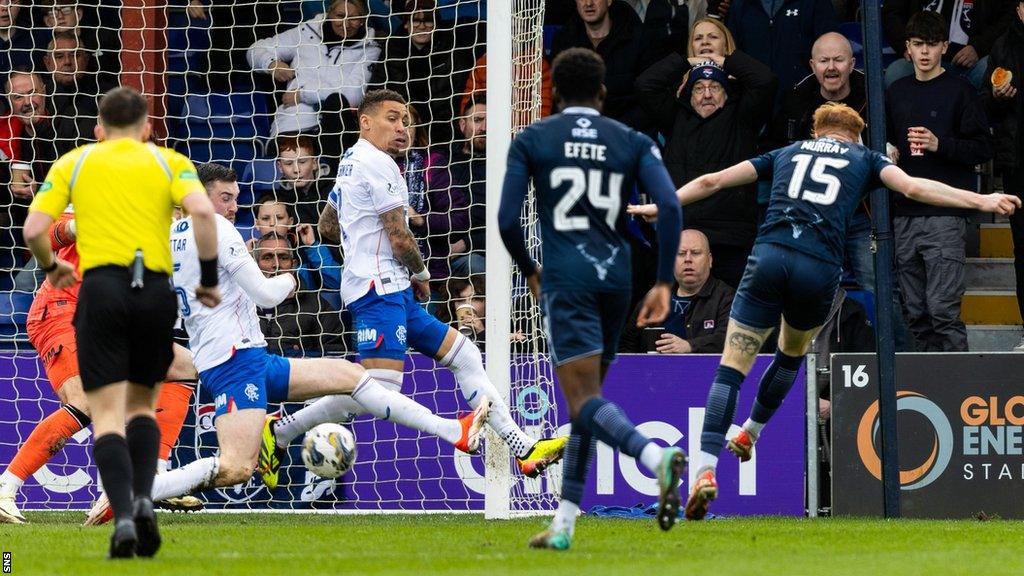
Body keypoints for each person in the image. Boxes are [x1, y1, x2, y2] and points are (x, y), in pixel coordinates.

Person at [627, 102, 1020, 520]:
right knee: (791, 354)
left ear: (817, 133)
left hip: (770, 257)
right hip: (817, 269)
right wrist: (982, 199)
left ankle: (706, 468)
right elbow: (915, 189)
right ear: (855, 135)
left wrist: (664, 207)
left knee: (732, 368)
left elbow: (713, 180)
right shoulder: (866, 158)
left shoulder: (787, 152)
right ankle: (751, 432)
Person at [85, 150, 489, 521]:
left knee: (351, 377)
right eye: (226, 197)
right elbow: (264, 295)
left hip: (243, 356)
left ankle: (454, 430)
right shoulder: (216, 229)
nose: (234, 205)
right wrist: (291, 277)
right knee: (236, 467)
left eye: (236, 196)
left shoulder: (163, 237)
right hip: (234, 362)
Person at [269, 89, 568, 487]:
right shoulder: (379, 165)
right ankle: (283, 430)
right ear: (366, 122)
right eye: (392, 118)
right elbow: (399, 237)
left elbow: (327, 224)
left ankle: (524, 449)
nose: (401, 128)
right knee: (375, 389)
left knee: (465, 356)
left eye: (406, 121)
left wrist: (362, 250)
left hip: (389, 288)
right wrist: (420, 273)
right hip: (380, 291)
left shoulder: (351, 160)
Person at [22, 86, 223, 558]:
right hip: (152, 292)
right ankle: (142, 496)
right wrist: (209, 278)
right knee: (141, 407)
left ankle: (126, 518)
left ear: (98, 129)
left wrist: (52, 268)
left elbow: (33, 229)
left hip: (101, 293)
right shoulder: (169, 162)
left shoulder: (76, 162)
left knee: (107, 416)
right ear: (148, 129)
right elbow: (201, 212)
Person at [499, 48, 687, 550]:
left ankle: (655, 457)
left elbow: (506, 220)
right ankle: (564, 524)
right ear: (602, 93)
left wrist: (530, 269)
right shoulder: (631, 139)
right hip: (617, 280)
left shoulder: (535, 138)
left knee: (583, 402)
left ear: (554, 93)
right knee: (587, 403)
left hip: (568, 279)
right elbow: (668, 205)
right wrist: (665, 280)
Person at [0, 210, 202, 525]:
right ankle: (5, 489)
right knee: (85, 401)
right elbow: (48, 233)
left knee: (183, 366)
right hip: (62, 310)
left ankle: (152, 478)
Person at [887, 10, 992, 352]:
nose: (925, 52)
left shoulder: (960, 91)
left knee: (942, 311)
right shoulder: (897, 90)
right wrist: (887, 149)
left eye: (932, 44)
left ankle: (956, 390)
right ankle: (926, 392)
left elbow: (982, 148)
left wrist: (939, 144)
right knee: (915, 313)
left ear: (945, 46)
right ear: (908, 47)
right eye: (918, 44)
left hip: (946, 214)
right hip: (903, 214)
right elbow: (882, 137)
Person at [636, 42, 776, 288]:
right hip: (682, 236)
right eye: (699, 88)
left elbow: (765, 80)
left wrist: (721, 60)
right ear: (689, 96)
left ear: (727, 92)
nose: (707, 94)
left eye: (715, 87)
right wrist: (688, 61)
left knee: (732, 312)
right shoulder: (675, 118)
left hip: (730, 239)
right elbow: (645, 85)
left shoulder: (742, 118)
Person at [246, 0, 380, 136]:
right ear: (329, 13)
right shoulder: (305, 31)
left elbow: (352, 96)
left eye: (353, 18)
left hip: (336, 127)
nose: (346, 24)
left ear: (363, 20)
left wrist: (303, 94)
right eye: (340, 15)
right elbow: (255, 50)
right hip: (295, 121)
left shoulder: (370, 48)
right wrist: (271, 64)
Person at [368, 0, 476, 144]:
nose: (422, 26)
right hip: (398, 128)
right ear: (406, 24)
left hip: (443, 132)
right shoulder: (392, 50)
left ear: (436, 24)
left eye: (428, 20)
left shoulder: (452, 51)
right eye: (416, 20)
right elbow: (377, 90)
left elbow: (458, 95)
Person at [550, 0, 669, 130]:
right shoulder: (564, 41)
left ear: (609, 1)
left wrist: (613, 130)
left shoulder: (640, 38)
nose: (588, 3)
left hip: (627, 132)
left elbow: (649, 98)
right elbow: (559, 96)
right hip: (578, 131)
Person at [982, 1, 1024, 351]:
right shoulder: (1003, 45)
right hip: (1018, 163)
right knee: (1022, 254)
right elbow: (986, 103)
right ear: (1019, 8)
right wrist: (998, 96)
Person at [619, 229, 734, 354]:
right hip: (654, 372)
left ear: (710, 260)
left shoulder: (726, 297)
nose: (688, 259)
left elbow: (733, 340)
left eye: (695, 253)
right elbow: (627, 344)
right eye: (681, 253)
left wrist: (690, 346)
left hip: (706, 372)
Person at [711, 0, 837, 102]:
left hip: (802, 101)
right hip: (752, 103)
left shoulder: (816, 3)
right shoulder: (740, 5)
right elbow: (733, 56)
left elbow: (830, 51)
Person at [254, 232, 349, 355]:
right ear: (255, 265)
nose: (276, 265)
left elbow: (335, 355)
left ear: (294, 265)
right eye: (267, 258)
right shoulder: (241, 305)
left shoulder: (318, 306)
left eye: (283, 258)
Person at [882, 0, 1008, 89]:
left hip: (971, 65)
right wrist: (907, 47)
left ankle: (976, 124)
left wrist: (978, 47)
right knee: (896, 72)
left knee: (991, 68)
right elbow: (892, 13)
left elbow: (1008, 18)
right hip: (922, 64)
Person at [448, 94, 486, 279]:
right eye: (478, 120)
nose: (484, 128)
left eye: (491, 121)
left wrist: (466, 243)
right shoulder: (441, 161)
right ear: (463, 125)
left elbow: (515, 223)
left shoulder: (507, 166)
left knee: (476, 265)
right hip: (437, 251)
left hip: (480, 253)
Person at [272, 135, 334, 227]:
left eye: (302, 162)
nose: (296, 170)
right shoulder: (279, 199)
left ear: (314, 163)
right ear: (280, 167)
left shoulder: (334, 192)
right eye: (288, 163)